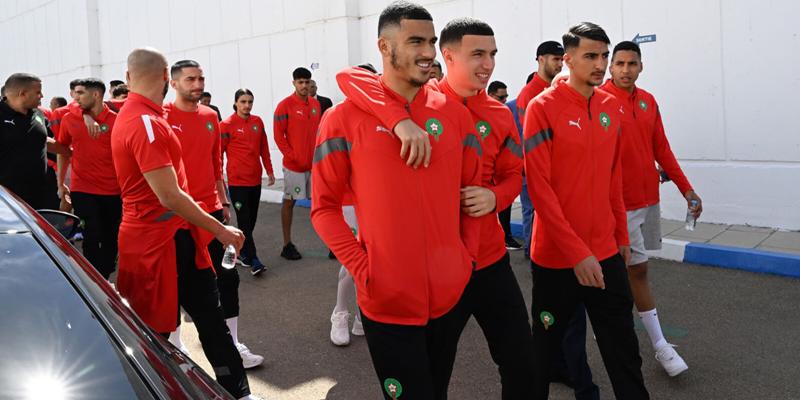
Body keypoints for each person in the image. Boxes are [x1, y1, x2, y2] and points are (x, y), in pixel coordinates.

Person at [336, 16, 535, 398]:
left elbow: (514, 174)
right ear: (449, 56)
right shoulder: (413, 99)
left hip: (487, 261)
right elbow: (352, 77)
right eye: (477, 54)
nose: (488, 64)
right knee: (428, 378)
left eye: (493, 54)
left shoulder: (499, 114)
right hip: (436, 270)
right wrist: (396, 119)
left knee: (520, 359)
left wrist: (497, 197)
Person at [311, 2, 482, 398]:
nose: (428, 52)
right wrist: (363, 269)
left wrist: (465, 260)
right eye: (415, 41)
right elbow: (323, 208)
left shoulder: (455, 117)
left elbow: (470, 198)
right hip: (386, 302)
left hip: (449, 295)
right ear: (384, 48)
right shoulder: (340, 119)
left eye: (432, 42)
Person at [110, 47, 257, 400]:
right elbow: (169, 195)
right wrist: (221, 229)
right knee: (154, 333)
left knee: (209, 319)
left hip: (177, 235)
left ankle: (238, 392)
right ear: (166, 79)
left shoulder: (147, 116)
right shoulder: (145, 122)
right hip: (156, 242)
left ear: (129, 78)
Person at [523, 23, 650, 399]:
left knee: (623, 350)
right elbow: (540, 189)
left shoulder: (610, 106)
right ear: (568, 59)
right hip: (558, 258)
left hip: (606, 251)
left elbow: (614, 178)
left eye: (603, 56)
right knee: (543, 353)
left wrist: (621, 237)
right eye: (590, 56)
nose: (600, 64)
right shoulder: (542, 108)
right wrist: (577, 252)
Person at [600, 40, 701, 377]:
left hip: (648, 201)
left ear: (641, 66)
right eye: (620, 64)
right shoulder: (599, 101)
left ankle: (638, 332)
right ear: (611, 67)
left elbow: (662, 149)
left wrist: (687, 190)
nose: (626, 70)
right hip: (619, 204)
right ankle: (659, 345)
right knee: (636, 271)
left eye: (632, 63)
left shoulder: (648, 101)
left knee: (633, 271)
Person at [164, 60, 264, 369]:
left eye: (201, 78)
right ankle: (175, 347)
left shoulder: (210, 117)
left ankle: (233, 344)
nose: (198, 84)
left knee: (228, 278)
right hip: (176, 216)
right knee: (176, 285)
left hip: (211, 212)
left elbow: (213, 166)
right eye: (190, 79)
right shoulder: (162, 117)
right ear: (174, 83)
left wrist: (223, 202)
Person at [56, 78, 121, 279]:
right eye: (75, 92)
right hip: (82, 189)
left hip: (113, 190)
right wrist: (61, 184)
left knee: (110, 237)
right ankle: (95, 281)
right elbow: (63, 151)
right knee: (91, 234)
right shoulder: (69, 119)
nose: (76, 98)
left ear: (96, 95)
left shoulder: (116, 121)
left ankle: (106, 274)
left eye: (80, 93)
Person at [220, 88, 275, 274]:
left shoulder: (257, 122)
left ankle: (238, 251)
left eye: (250, 101)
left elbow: (264, 148)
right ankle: (255, 260)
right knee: (244, 221)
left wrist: (269, 170)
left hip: (255, 181)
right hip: (237, 182)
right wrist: (218, 178)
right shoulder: (226, 125)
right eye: (243, 101)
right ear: (236, 103)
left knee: (250, 222)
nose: (247, 105)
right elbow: (218, 154)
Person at [1, 73, 71, 209]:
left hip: (41, 194)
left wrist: (70, 152)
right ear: (23, 94)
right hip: (8, 200)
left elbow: (41, 139)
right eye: (38, 92)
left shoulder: (38, 114)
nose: (42, 96)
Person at [273, 67, 321, 260]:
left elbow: (319, 132)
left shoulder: (316, 105)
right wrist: (292, 156)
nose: (304, 85)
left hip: (314, 165)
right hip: (294, 167)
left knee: (321, 203)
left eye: (306, 82)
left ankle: (333, 245)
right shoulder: (284, 106)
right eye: (300, 82)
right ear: (294, 83)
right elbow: (279, 136)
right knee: (290, 202)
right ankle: (287, 245)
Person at [486, 80, 523, 251]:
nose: (505, 101)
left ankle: (506, 236)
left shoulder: (504, 115)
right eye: (501, 97)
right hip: (485, 178)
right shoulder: (480, 115)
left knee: (504, 206)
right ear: (491, 95)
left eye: (506, 97)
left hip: (500, 175)